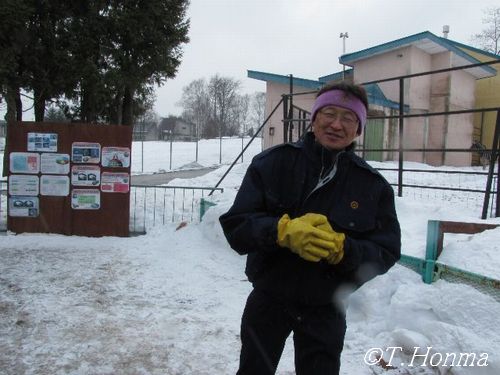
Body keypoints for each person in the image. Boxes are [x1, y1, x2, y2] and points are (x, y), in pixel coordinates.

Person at [219, 82, 401, 375]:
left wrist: (345, 250)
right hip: (268, 299)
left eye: (349, 118)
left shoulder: (372, 186)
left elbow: (387, 250)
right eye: (328, 113)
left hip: (326, 308)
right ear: (314, 118)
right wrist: (281, 231)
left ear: (358, 129)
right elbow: (236, 227)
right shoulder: (272, 164)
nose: (336, 124)